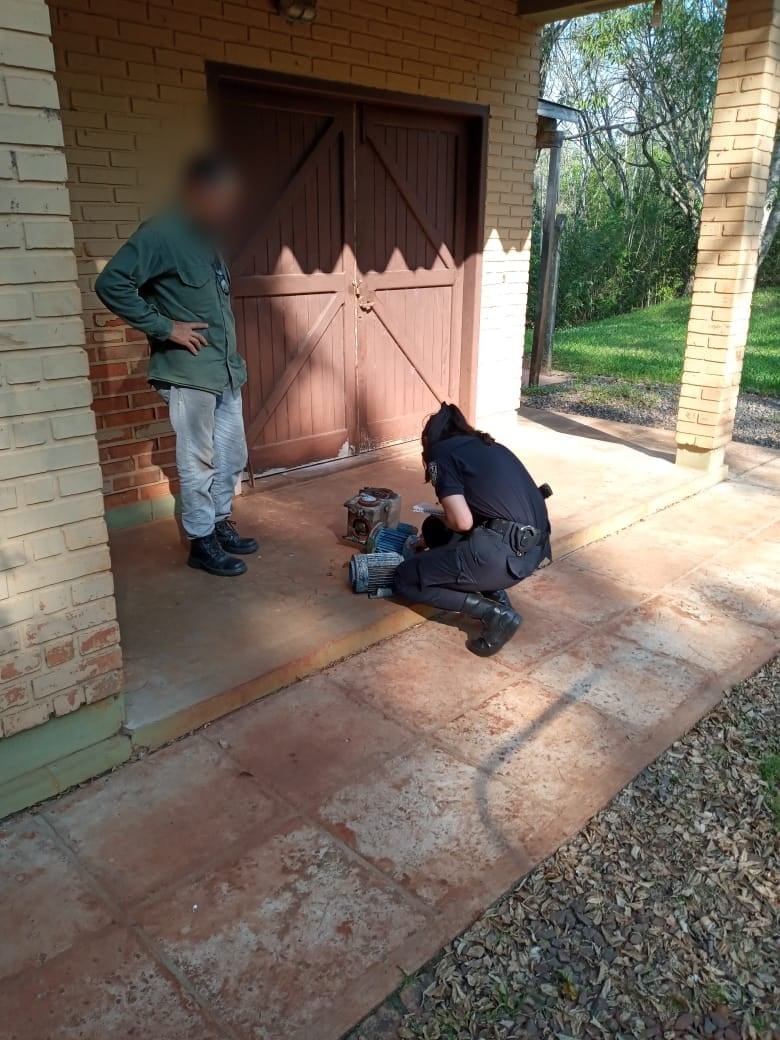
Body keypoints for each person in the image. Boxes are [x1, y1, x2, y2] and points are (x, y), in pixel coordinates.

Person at [95, 153, 257, 577]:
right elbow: (111, 283)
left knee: (232, 453)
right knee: (197, 459)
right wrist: (166, 327)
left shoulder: (208, 238)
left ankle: (221, 523)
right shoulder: (162, 233)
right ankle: (201, 541)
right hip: (188, 374)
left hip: (224, 371)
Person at [393, 403, 551, 657]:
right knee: (435, 529)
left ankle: (495, 614)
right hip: (531, 551)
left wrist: (449, 521)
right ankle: (496, 596)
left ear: (429, 440)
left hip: (500, 556)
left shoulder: (440, 455)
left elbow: (463, 523)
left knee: (404, 578)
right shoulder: (488, 446)